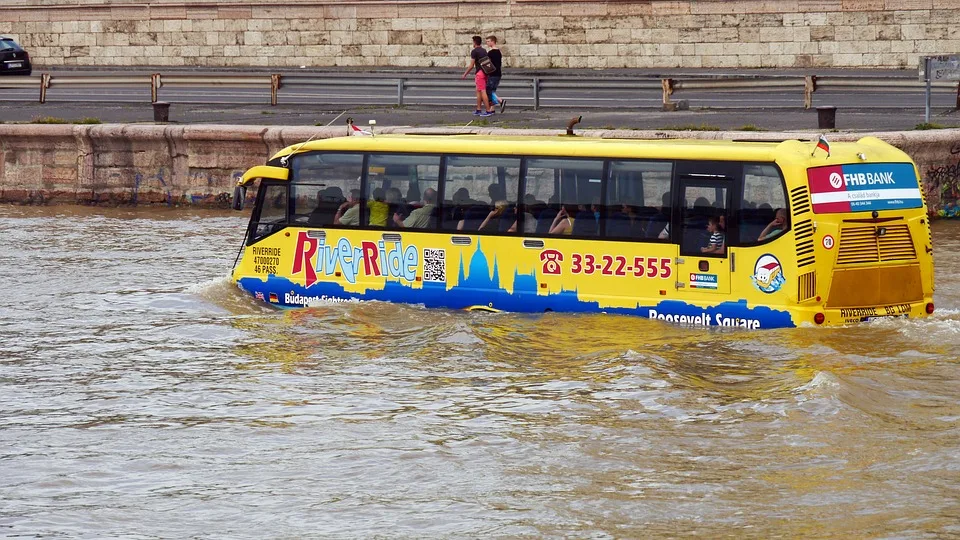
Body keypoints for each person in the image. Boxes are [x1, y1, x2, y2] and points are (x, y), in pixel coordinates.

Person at [460, 35, 493, 117]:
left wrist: (465, 74)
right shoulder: (484, 50)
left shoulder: (474, 51)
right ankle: (478, 109)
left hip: (479, 73)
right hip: (485, 72)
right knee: (478, 91)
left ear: (474, 42)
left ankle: (488, 110)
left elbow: (471, 65)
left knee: (482, 91)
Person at [485, 35, 506, 113]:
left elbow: (487, 63)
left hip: (493, 74)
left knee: (488, 90)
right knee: (492, 90)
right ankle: (492, 109)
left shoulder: (490, 53)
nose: (487, 43)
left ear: (492, 41)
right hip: (498, 73)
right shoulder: (498, 52)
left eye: (488, 41)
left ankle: (500, 101)